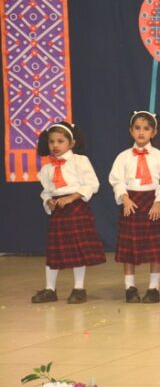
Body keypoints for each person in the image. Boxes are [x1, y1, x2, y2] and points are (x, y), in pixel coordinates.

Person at [32, 121, 106, 304]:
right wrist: (48, 201)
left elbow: (92, 184)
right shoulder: (47, 168)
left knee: (77, 250)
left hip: (76, 208)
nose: (55, 145)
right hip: (59, 211)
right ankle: (50, 289)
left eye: (60, 141)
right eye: (52, 141)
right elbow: (46, 191)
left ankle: (79, 288)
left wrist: (73, 197)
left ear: (71, 143)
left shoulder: (80, 161)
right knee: (54, 250)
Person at [108, 111, 160, 303]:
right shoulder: (123, 157)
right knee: (129, 247)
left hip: (152, 203)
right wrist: (124, 197)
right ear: (131, 131)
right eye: (137, 128)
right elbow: (116, 179)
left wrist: (159, 201)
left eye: (146, 128)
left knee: (154, 248)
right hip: (131, 203)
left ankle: (154, 288)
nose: (141, 132)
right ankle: (130, 287)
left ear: (154, 132)